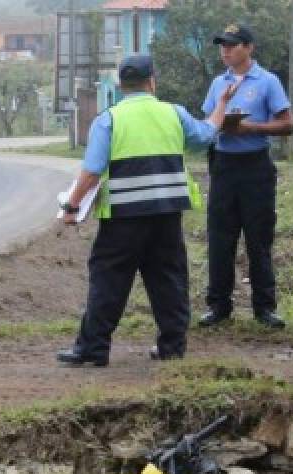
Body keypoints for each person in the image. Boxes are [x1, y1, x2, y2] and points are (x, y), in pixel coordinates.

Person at [55, 55, 234, 367]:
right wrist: (221, 104)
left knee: (108, 282)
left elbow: (92, 170)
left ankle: (93, 349)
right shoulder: (173, 113)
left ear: (120, 85)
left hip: (123, 218)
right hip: (166, 214)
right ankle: (173, 348)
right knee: (169, 280)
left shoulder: (109, 119)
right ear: (153, 80)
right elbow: (206, 135)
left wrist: (72, 206)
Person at [198, 23, 293, 330]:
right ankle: (219, 305)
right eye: (222, 45)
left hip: (255, 165)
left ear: (249, 47)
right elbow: (208, 119)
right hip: (224, 164)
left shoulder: (267, 81)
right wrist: (217, 125)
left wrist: (250, 127)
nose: (225, 50)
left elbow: (287, 124)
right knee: (219, 238)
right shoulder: (218, 83)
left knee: (259, 238)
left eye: (232, 44)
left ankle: (264, 307)